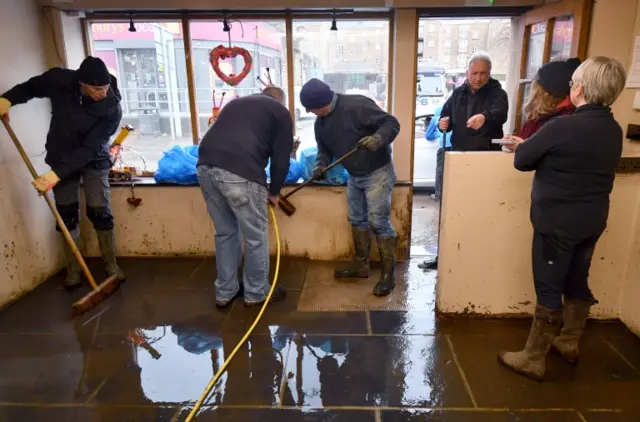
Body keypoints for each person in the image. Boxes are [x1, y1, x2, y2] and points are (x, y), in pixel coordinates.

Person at [498, 56, 627, 381]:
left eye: (573, 82)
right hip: (592, 220)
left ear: (580, 87)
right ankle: (568, 342)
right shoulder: (612, 128)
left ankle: (532, 358)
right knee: (577, 280)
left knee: (549, 288)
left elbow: (523, 160)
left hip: (557, 223)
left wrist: (524, 146)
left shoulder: (563, 126)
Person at [0, 56, 125, 288]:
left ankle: (111, 266)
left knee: (99, 209)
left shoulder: (112, 108)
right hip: (61, 154)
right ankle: (74, 269)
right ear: (81, 84)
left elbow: (90, 148)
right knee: (66, 214)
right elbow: (32, 87)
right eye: (96, 89)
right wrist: (7, 100)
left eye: (105, 87)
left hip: (93, 158)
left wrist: (55, 175)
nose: (102, 93)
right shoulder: (59, 80)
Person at [299, 78, 400, 296]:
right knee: (357, 219)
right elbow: (324, 149)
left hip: (378, 172)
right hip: (354, 175)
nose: (311, 112)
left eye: (312, 108)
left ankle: (388, 276)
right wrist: (320, 165)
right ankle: (362, 267)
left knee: (378, 221)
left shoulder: (357, 105)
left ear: (323, 102)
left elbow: (392, 123)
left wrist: (377, 139)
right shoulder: (321, 123)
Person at [197, 86, 293, 309]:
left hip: (204, 167)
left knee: (225, 233)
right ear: (281, 100)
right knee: (255, 236)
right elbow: (281, 160)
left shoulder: (235, 104)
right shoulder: (280, 111)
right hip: (240, 173)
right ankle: (256, 293)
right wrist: (274, 192)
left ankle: (224, 292)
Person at [438, 52, 508, 151]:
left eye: (482, 73)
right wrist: (443, 124)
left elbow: (501, 114)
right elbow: (444, 117)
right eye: (474, 73)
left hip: (487, 155)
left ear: (489, 73)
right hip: (459, 154)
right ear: (467, 73)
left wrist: (484, 117)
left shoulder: (498, 93)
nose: (478, 78)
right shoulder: (457, 94)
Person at [516, 58, 582, 140]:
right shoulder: (536, 118)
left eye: (535, 86)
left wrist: (522, 146)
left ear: (543, 92)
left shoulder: (564, 121)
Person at [425, 103, 453, 201]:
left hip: (444, 146)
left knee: (440, 170)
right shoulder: (452, 118)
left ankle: (438, 194)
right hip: (456, 146)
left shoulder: (435, 119)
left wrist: (437, 135)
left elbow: (428, 136)